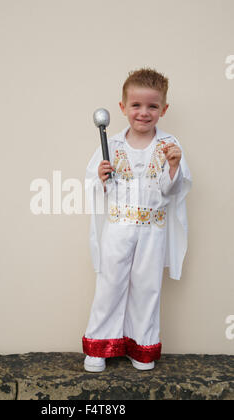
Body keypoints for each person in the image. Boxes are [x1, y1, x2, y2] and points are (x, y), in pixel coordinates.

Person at [82, 68, 192, 372]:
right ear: (122, 108)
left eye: (152, 106)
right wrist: (102, 178)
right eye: (136, 105)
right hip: (119, 227)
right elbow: (96, 186)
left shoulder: (170, 146)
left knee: (147, 287)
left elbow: (171, 191)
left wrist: (173, 166)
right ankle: (99, 346)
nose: (144, 113)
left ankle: (141, 347)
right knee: (110, 284)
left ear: (163, 110)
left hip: (152, 230)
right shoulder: (113, 145)